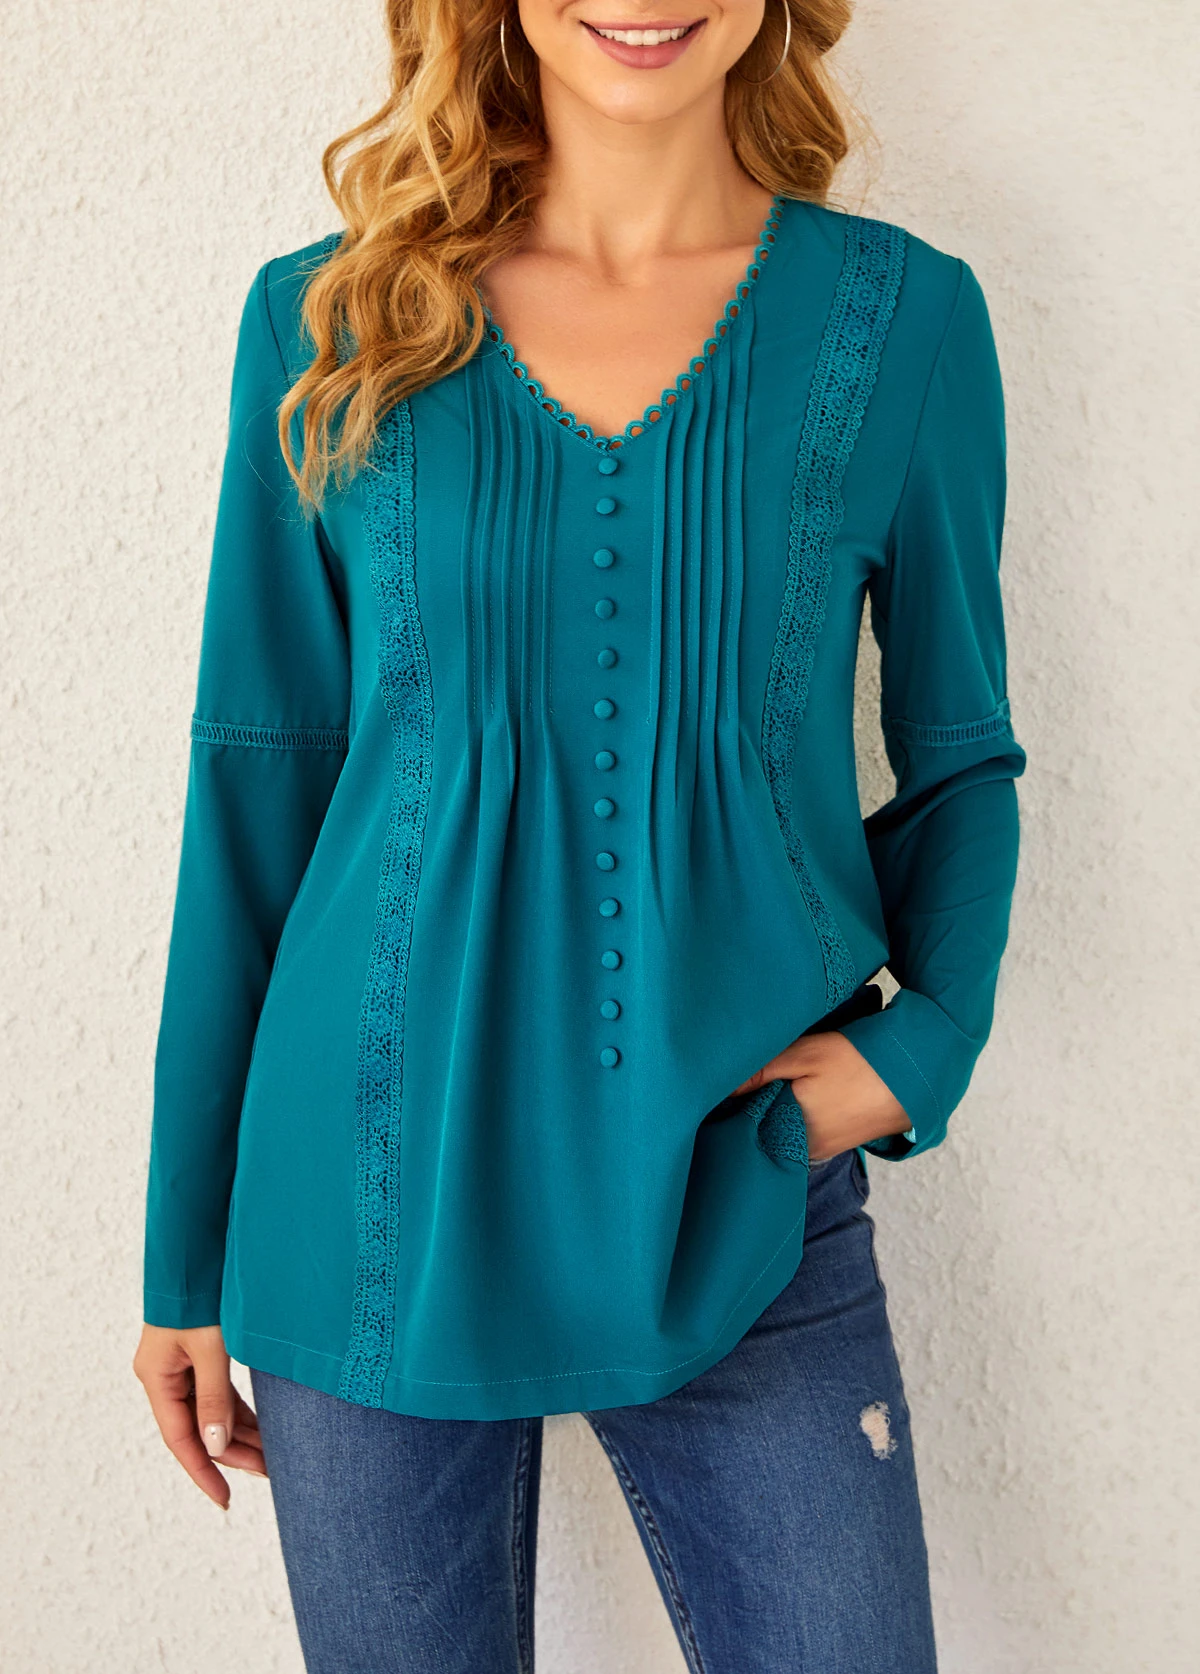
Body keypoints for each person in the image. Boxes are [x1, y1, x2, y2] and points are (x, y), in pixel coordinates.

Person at [132, 1, 1025, 1668]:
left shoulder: (904, 319)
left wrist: (926, 1047)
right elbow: (257, 785)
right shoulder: (326, 322)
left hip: (744, 1186)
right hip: (369, 1204)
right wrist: (182, 1252)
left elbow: (963, 753)